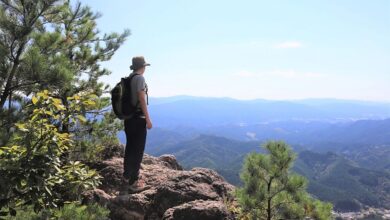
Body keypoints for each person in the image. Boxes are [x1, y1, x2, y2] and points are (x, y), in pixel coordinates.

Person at [123, 56, 152, 193]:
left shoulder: (129, 78)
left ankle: (126, 177)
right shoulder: (140, 78)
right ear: (143, 66)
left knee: (130, 148)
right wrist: (148, 119)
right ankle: (133, 183)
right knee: (138, 150)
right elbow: (141, 98)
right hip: (138, 119)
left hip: (128, 119)